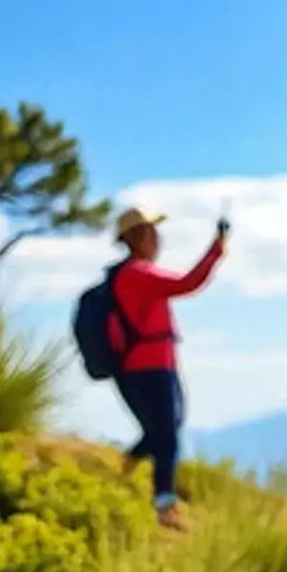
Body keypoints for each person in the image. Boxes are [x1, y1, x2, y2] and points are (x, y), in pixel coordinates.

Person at [110, 207, 227, 528]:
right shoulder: (136, 274)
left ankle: (127, 464)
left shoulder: (136, 274)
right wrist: (216, 250)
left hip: (157, 366)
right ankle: (165, 506)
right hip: (147, 369)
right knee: (167, 437)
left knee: (166, 427)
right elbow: (188, 282)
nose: (157, 239)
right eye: (152, 233)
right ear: (137, 238)